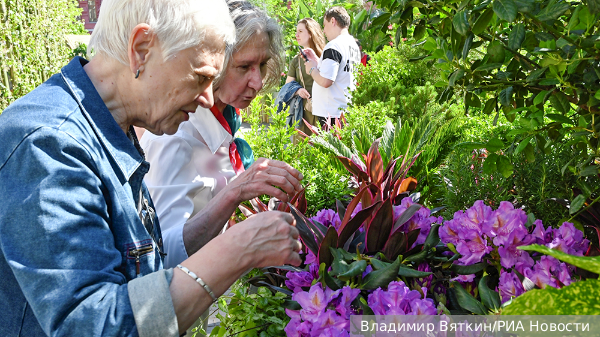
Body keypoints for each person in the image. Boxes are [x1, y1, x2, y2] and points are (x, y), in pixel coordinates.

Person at [0, 0, 303, 336]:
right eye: (201, 77)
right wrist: (236, 250)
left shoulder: (113, 127)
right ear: (141, 49)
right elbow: (93, 325)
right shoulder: (48, 145)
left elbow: (148, 264)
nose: (206, 98)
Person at [140, 0, 287, 270]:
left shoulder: (225, 122)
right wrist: (234, 192)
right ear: (213, 62)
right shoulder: (174, 137)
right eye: (244, 67)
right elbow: (161, 255)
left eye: (263, 64)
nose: (257, 82)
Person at [302, 6, 361, 128]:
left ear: (333, 21)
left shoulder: (334, 46)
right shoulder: (353, 45)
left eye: (324, 25)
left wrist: (312, 69)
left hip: (330, 114)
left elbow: (326, 81)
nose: (323, 31)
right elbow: (340, 71)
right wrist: (317, 61)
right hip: (345, 111)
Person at [284, 18, 326, 136]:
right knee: (302, 150)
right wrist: (298, 90)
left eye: (301, 31)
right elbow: (288, 86)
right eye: (296, 31)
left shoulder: (325, 56)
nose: (296, 35)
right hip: (304, 112)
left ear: (311, 33)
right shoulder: (296, 61)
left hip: (324, 111)